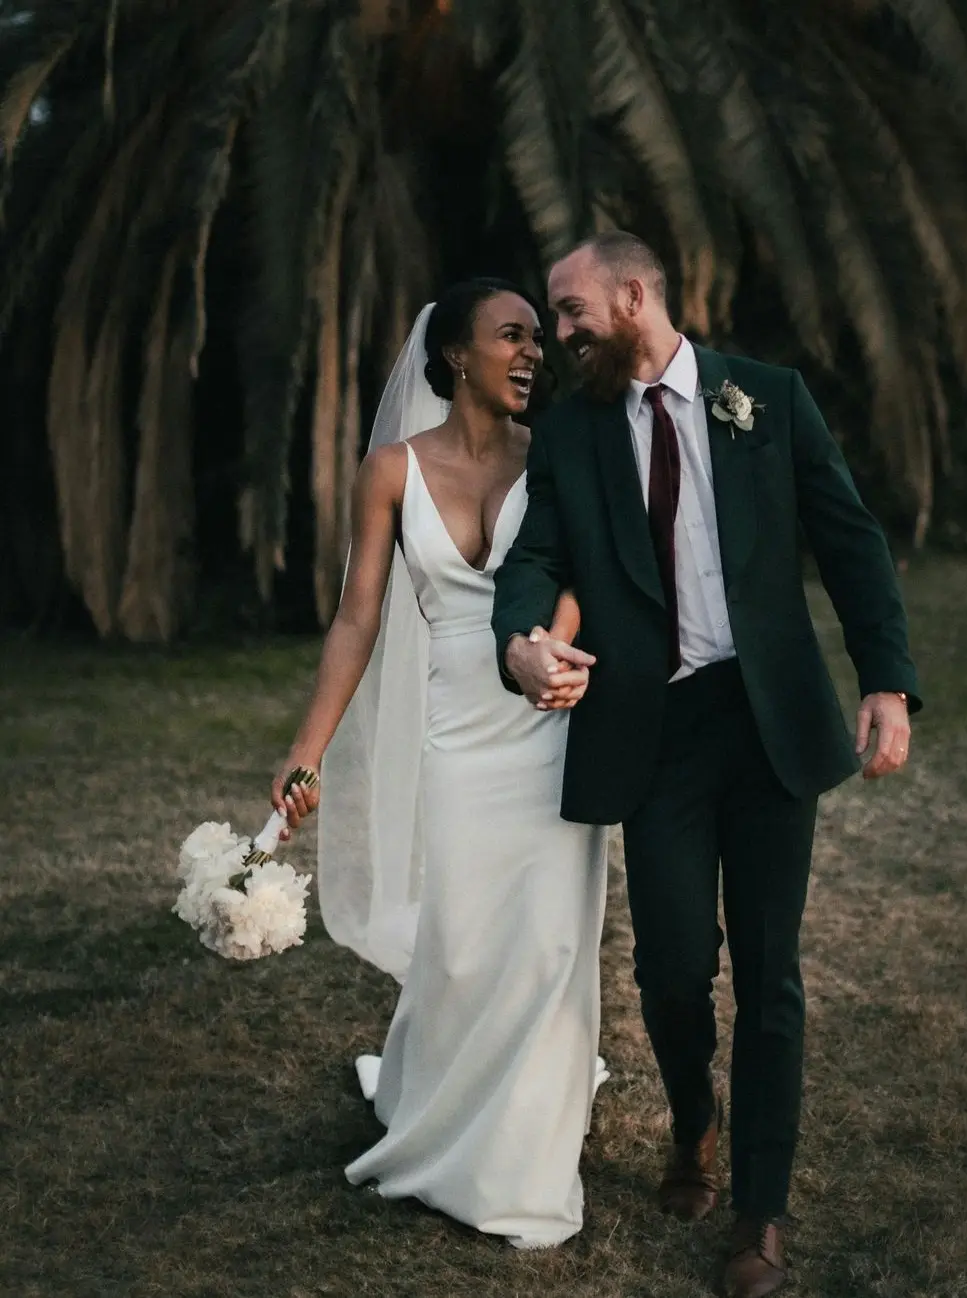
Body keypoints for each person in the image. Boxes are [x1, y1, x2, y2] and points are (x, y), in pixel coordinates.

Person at [493, 233, 921, 1297]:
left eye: (571, 307)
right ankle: (693, 1114)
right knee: (673, 965)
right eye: (554, 315)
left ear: (635, 293)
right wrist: (520, 639)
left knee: (770, 975)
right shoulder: (573, 431)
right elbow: (535, 554)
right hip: (655, 731)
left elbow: (849, 537)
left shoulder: (767, 398)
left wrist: (885, 679)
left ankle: (759, 1216)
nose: (560, 331)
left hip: (766, 719)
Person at [270, 279, 608, 1249]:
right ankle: (443, 1105)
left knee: (547, 940)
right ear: (457, 354)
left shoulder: (556, 456)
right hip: (457, 736)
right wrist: (306, 751)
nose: (534, 351)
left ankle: (524, 1162)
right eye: (513, 335)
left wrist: (558, 654)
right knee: (460, 943)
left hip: (547, 713)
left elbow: (578, 573)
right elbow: (357, 616)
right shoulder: (390, 470)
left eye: (540, 337)